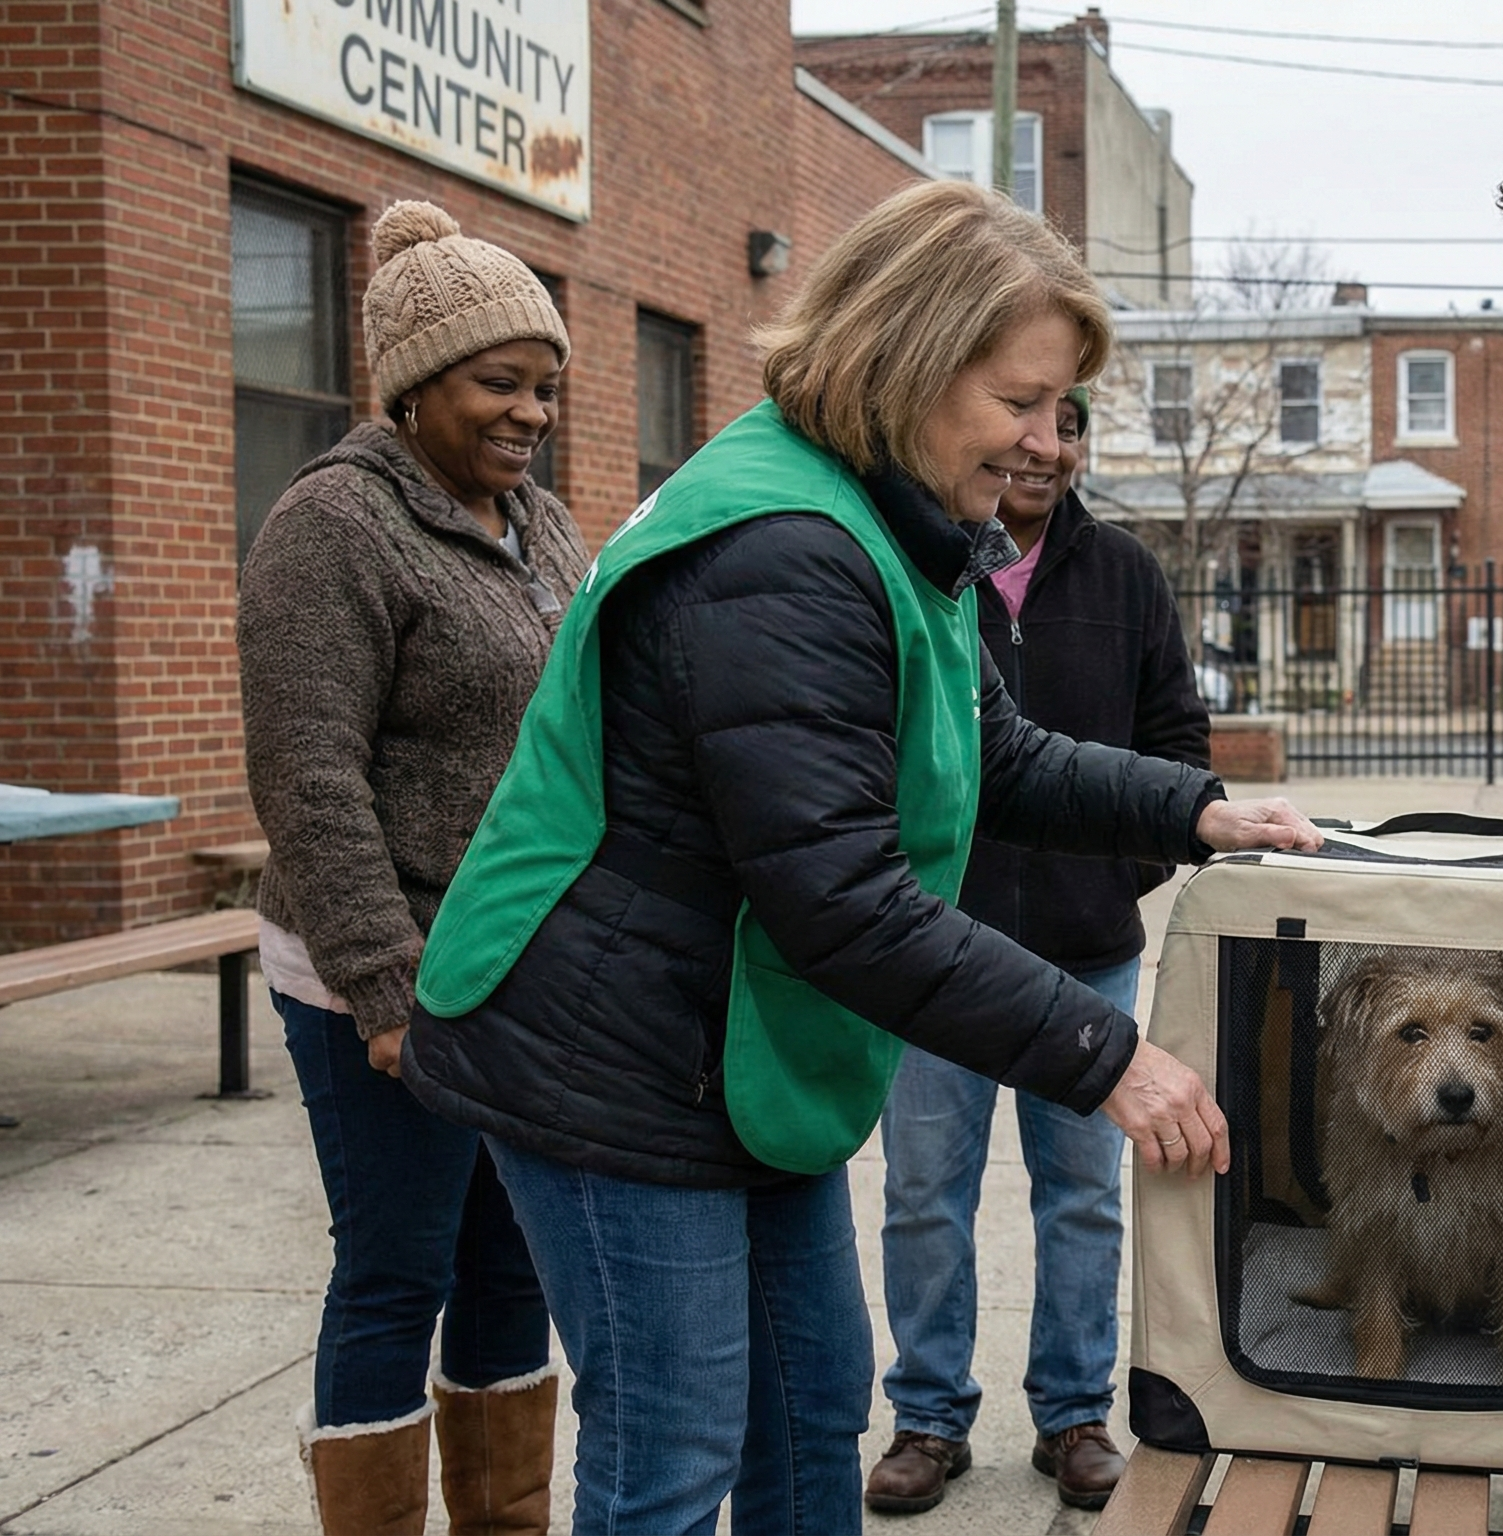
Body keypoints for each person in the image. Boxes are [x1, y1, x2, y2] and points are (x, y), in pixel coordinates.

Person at [397, 180, 1320, 1536]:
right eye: (1019, 400)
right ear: (909, 359)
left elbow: (993, 751)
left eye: (1061, 409)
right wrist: (1105, 1056)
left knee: (808, 1405)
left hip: (725, 1043)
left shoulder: (886, 519)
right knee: (673, 1450)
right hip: (607, 1051)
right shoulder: (785, 548)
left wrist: (1193, 809)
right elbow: (844, 903)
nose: (1043, 442)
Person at [237, 199, 574, 1535]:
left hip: (517, 968)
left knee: (512, 1270)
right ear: (414, 386)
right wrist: (386, 989)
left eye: (543, 386)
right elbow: (309, 780)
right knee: (396, 1270)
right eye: (500, 382)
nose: (529, 412)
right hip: (380, 969)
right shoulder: (331, 529)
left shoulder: (536, 527)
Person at [865, 385, 1207, 1516]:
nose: (1047, 450)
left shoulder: (1125, 577)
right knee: (923, 1195)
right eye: (1029, 421)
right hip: (933, 960)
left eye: (1070, 427)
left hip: (1084, 954)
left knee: (1083, 1198)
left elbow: (1174, 747)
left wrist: (1113, 879)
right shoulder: (917, 564)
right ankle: (926, 1417)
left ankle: (1072, 1416)